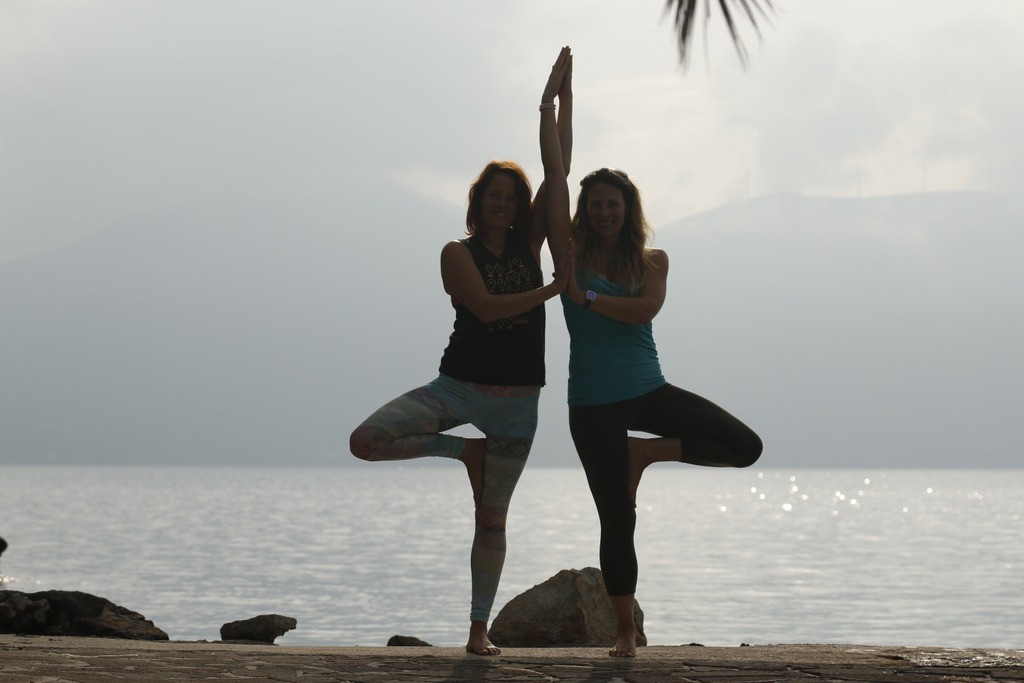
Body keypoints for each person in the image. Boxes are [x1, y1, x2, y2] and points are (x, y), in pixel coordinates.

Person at [348, 51, 574, 656]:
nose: (503, 201)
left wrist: (553, 106)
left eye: (511, 195)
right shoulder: (457, 252)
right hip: (457, 389)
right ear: (478, 201)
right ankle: (463, 456)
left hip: (519, 405)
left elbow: (558, 173)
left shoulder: (530, 243)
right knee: (366, 441)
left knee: (493, 523)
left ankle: (478, 630)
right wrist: (552, 289)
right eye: (493, 194)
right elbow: (486, 309)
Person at [540, 53, 763, 659]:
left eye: (613, 204)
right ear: (586, 214)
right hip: (591, 404)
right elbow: (555, 173)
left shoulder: (651, 262)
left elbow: (644, 311)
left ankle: (651, 451)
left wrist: (585, 299)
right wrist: (556, 102)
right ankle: (624, 634)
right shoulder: (568, 251)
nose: (602, 211)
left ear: (628, 210)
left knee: (746, 447)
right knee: (618, 519)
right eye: (595, 205)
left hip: (646, 389)